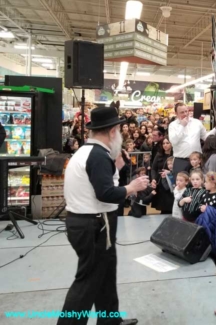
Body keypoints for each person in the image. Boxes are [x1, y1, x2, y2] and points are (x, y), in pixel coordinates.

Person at [58, 105, 149, 325]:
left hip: (92, 224)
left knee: (106, 275)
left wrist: (115, 168)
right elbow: (106, 193)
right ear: (111, 131)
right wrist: (132, 187)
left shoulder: (88, 152)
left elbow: (97, 186)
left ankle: (110, 321)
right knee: (87, 281)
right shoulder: (98, 156)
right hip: (95, 226)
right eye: (118, 129)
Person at [169, 102, 216, 179]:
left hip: (197, 160)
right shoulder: (173, 125)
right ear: (176, 113)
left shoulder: (197, 122)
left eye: (186, 111)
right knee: (181, 185)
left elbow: (205, 137)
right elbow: (173, 141)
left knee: (198, 184)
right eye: (182, 112)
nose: (185, 114)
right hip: (181, 160)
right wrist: (182, 126)